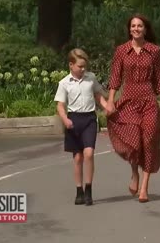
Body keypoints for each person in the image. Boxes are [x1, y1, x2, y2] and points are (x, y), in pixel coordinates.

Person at [105, 14, 160, 203]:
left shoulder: (154, 51)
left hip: (149, 100)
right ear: (129, 29)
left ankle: (144, 188)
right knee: (133, 140)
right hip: (129, 100)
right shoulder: (121, 51)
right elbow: (115, 78)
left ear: (145, 29)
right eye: (133, 26)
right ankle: (134, 172)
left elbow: (159, 78)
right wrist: (110, 101)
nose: (136, 29)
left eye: (140, 26)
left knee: (149, 140)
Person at [54, 48, 109, 206]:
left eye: (85, 66)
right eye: (80, 66)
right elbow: (60, 105)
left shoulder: (90, 78)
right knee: (78, 158)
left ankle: (88, 189)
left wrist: (106, 108)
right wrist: (65, 119)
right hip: (73, 120)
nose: (83, 69)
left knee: (89, 153)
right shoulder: (64, 83)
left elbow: (98, 95)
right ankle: (79, 191)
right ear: (71, 65)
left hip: (89, 119)